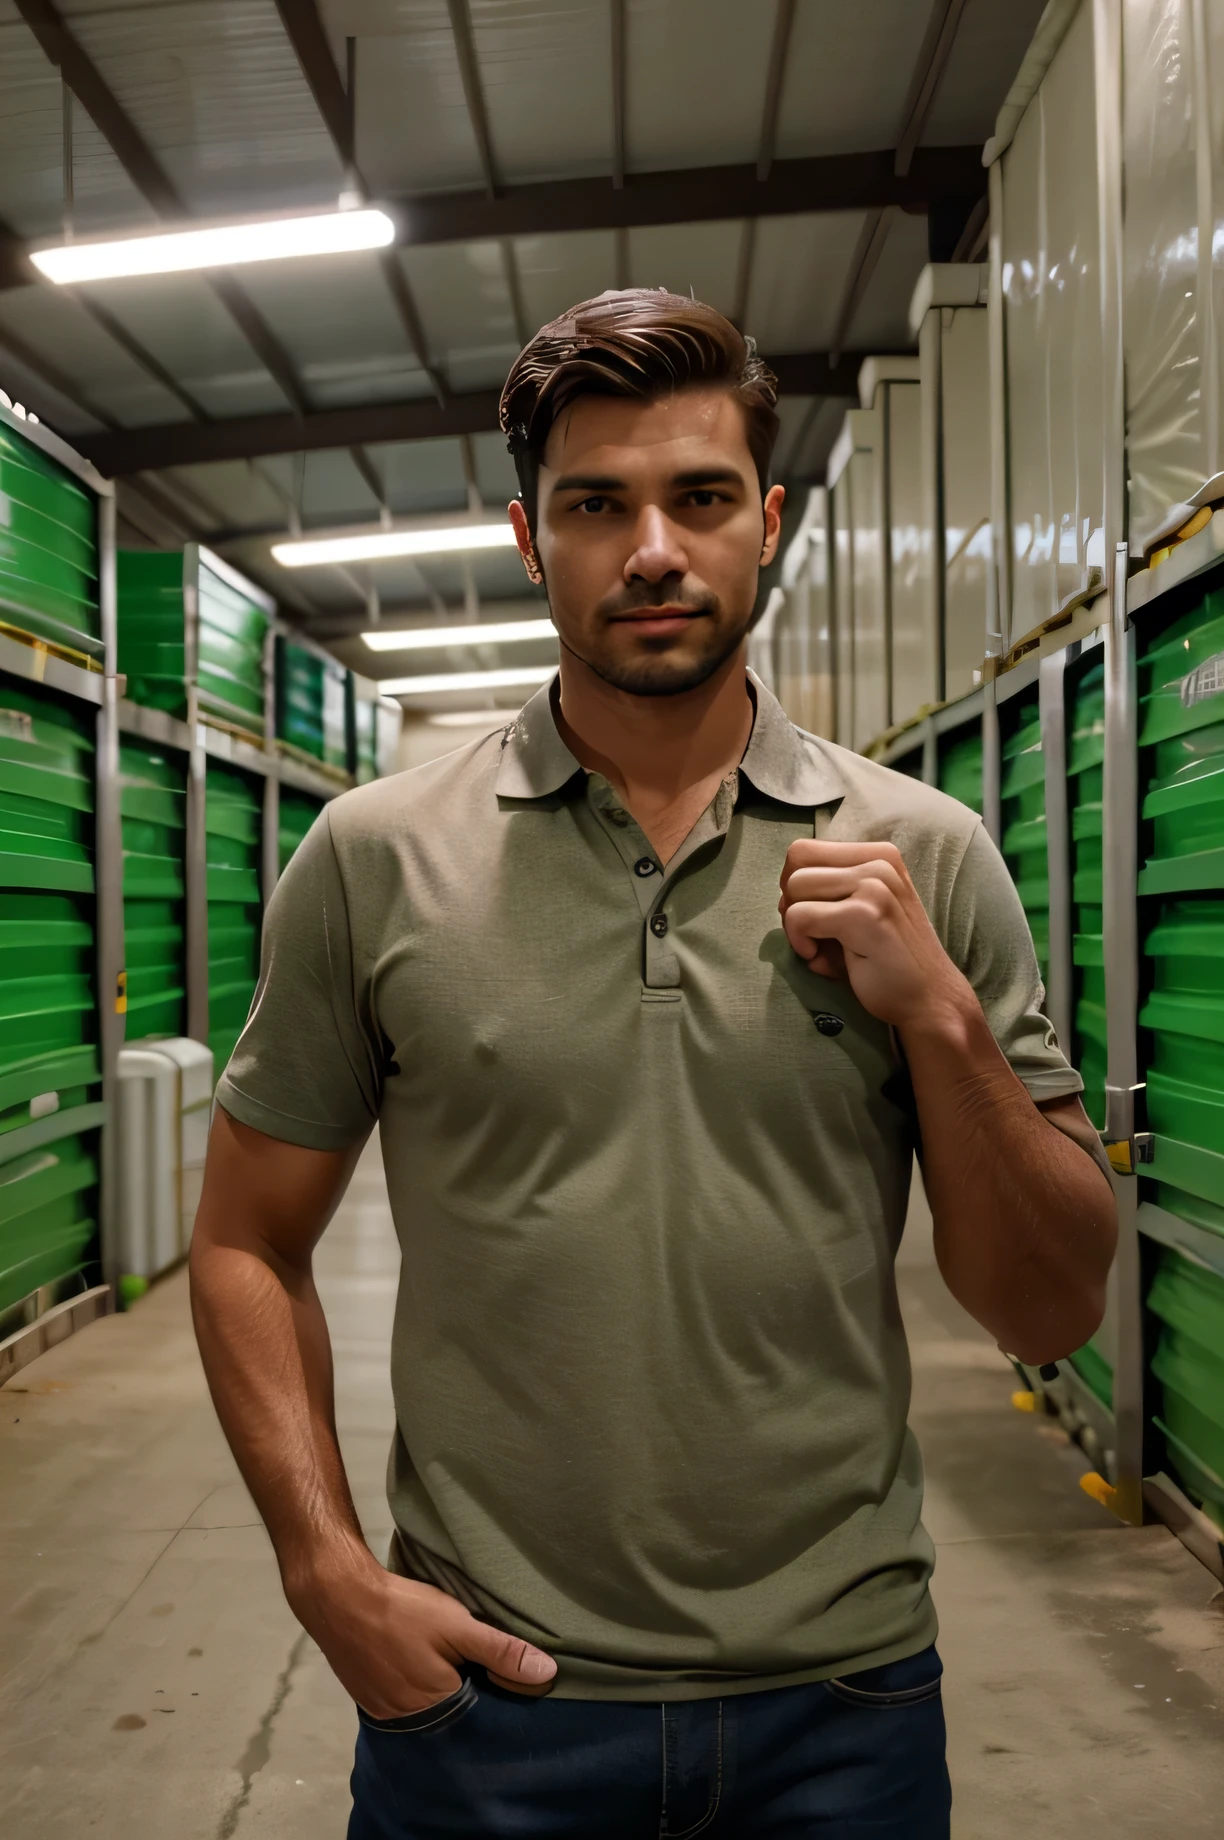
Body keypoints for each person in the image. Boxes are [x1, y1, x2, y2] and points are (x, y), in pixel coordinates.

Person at [190, 288, 1117, 1838]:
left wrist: (944, 1022)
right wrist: (327, 1572)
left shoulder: (926, 857)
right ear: (526, 534)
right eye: (595, 506)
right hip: (485, 1708)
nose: (652, 552)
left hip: (846, 1707)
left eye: (697, 499)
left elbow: (1049, 1304)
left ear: (765, 521)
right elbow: (242, 1241)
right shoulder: (375, 859)